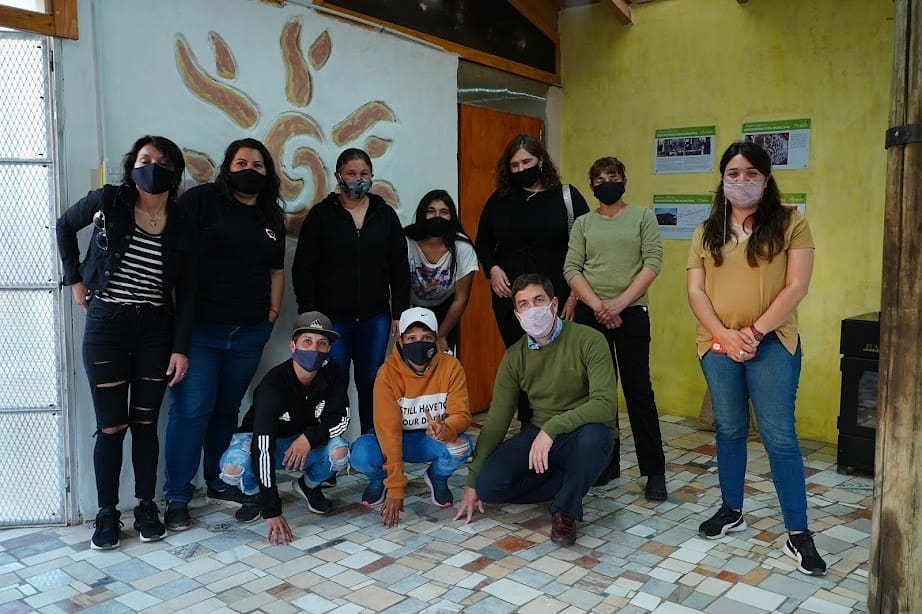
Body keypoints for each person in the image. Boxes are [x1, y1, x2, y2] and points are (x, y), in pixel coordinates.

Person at [686, 141, 826, 576]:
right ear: (722, 179)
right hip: (718, 345)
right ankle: (732, 510)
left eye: (751, 173)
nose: (741, 181)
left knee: (779, 436)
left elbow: (797, 286)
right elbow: (696, 291)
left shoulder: (791, 223)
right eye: (733, 173)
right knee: (729, 429)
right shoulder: (707, 230)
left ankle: (798, 533)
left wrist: (754, 332)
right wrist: (725, 335)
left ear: (766, 179)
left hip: (772, 342)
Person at [56, 135, 194, 549]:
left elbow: (187, 290)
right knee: (112, 426)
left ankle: (146, 506)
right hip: (107, 327)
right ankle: (107, 513)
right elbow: (64, 225)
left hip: (156, 329)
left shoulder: (182, 221)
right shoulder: (109, 200)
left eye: (162, 162)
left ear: (174, 172)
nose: (152, 167)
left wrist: (180, 347)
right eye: (145, 159)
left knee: (146, 424)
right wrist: (74, 279)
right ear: (132, 165)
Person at [163, 138, 286, 531]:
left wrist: (272, 313)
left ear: (268, 172)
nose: (249, 170)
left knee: (226, 410)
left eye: (258, 165)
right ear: (227, 167)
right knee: (191, 411)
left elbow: (276, 270)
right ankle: (177, 495)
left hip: (249, 332)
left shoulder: (271, 214)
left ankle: (219, 482)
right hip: (200, 330)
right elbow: (172, 255)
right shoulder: (201, 201)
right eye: (241, 163)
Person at [455, 274, 617, 546]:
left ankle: (564, 510)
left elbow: (605, 405)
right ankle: (570, 481)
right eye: (524, 304)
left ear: (554, 304)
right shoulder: (514, 356)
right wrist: (472, 481)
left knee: (594, 438)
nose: (532, 309)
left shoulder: (590, 340)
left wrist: (552, 429)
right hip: (542, 434)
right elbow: (497, 420)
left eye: (538, 300)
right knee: (489, 485)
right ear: (517, 315)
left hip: (583, 431)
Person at [563, 156, 667, 500]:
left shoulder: (643, 217)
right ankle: (607, 463)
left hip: (631, 312)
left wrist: (620, 304)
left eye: (613, 176)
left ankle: (654, 471)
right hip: (592, 314)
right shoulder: (583, 223)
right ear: (592, 186)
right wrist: (598, 306)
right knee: (600, 393)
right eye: (599, 179)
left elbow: (653, 262)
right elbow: (572, 269)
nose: (606, 182)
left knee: (639, 391)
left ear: (624, 180)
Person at [292, 148, 410, 434]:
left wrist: (400, 313)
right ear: (338, 176)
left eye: (364, 174)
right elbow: (303, 268)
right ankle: (333, 448)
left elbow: (399, 266)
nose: (358, 179)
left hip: (375, 317)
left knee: (372, 382)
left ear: (372, 175)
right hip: (333, 320)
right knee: (333, 382)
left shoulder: (385, 215)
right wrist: (310, 315)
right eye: (351, 174)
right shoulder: (321, 216)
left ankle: (371, 446)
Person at [216, 312, 350, 544]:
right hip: (260, 440)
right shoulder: (273, 384)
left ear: (329, 349)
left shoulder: (333, 372)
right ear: (293, 346)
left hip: (301, 442)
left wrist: (308, 438)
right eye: (307, 341)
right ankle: (254, 495)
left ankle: (308, 486)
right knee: (232, 469)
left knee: (340, 451)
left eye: (321, 343)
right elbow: (263, 446)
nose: (314, 349)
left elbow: (341, 418)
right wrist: (272, 510)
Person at [351, 307, 474, 528]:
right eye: (411, 338)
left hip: (430, 440)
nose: (419, 343)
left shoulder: (451, 366)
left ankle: (437, 478)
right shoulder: (387, 373)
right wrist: (395, 486)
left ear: (435, 338)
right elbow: (388, 431)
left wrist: (446, 429)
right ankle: (380, 480)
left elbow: (461, 415)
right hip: (394, 440)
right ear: (400, 340)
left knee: (462, 447)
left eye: (426, 338)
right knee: (360, 453)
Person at [404, 190, 479, 353]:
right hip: (409, 306)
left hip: (446, 310)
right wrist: (408, 327)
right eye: (431, 211)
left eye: (444, 212)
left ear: (452, 217)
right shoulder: (406, 241)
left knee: (441, 359)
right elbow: (399, 289)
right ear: (422, 214)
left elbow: (461, 298)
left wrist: (441, 335)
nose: (437, 216)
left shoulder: (462, 248)